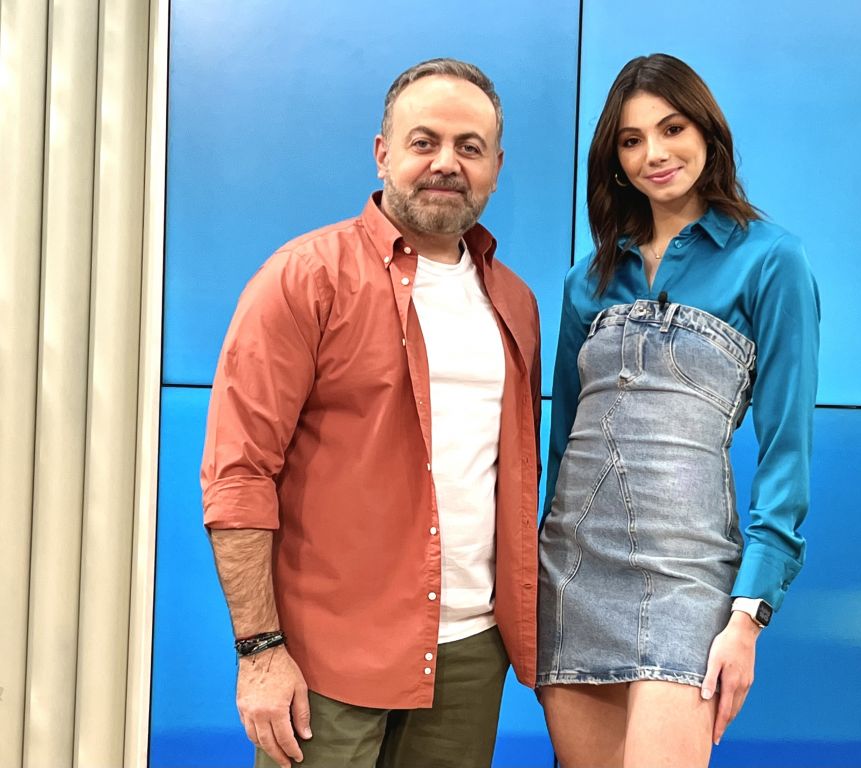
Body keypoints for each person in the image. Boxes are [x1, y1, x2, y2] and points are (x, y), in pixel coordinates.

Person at [200, 58, 542, 768]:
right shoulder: (304, 278)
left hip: (470, 656)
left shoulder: (516, 303)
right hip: (326, 658)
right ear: (383, 152)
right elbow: (238, 475)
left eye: (469, 147)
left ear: (496, 167)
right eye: (424, 142)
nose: (446, 163)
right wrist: (260, 650)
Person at [536, 53, 820, 768]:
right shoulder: (586, 281)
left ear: (707, 132)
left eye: (672, 129)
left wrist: (748, 615)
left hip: (689, 575)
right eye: (631, 140)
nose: (654, 154)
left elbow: (786, 454)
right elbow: (563, 447)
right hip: (575, 570)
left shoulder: (772, 261)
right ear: (614, 160)